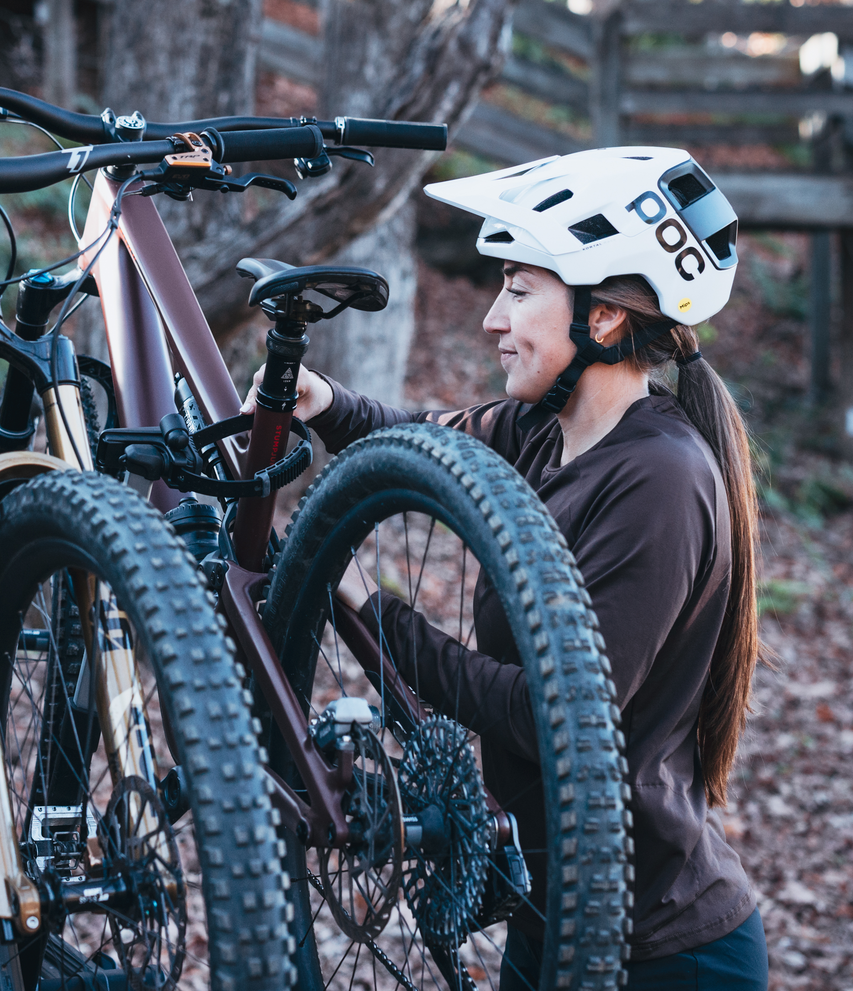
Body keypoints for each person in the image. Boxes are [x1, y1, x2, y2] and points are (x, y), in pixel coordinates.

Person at [243, 147, 769, 990]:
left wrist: (368, 608)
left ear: (600, 319)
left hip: (661, 950)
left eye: (520, 291)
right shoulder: (544, 429)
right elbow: (424, 441)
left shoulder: (659, 481)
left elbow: (544, 710)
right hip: (551, 916)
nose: (492, 318)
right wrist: (326, 404)